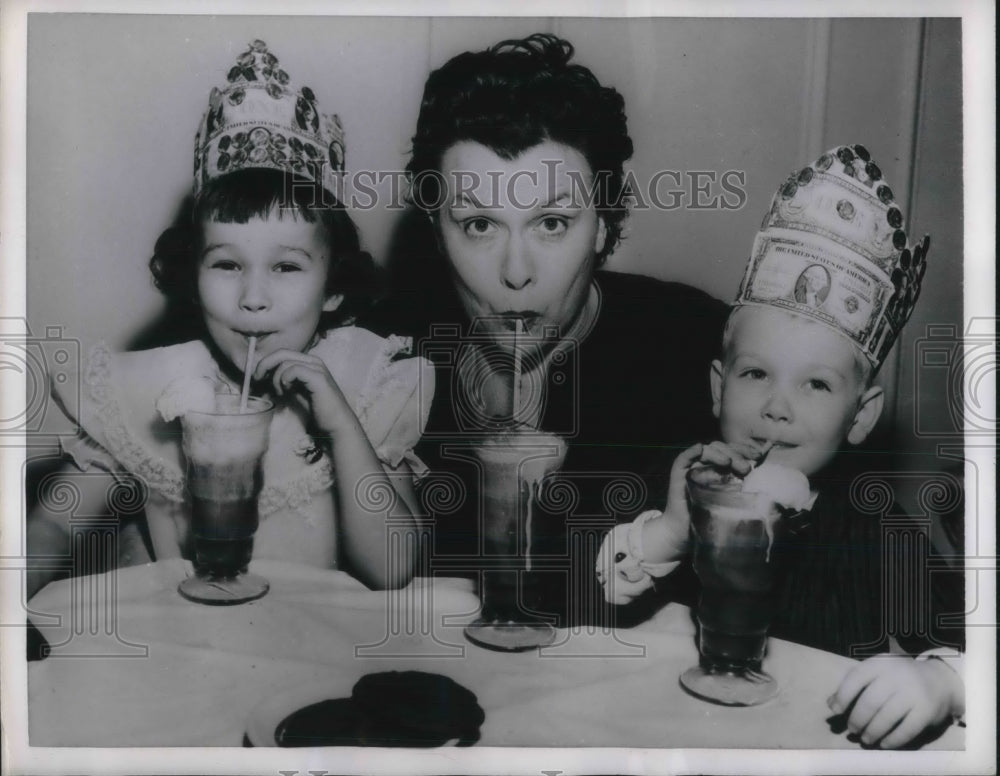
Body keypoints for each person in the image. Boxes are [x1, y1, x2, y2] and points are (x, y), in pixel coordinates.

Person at [26, 40, 433, 598]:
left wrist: (341, 426)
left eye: (287, 266)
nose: (253, 298)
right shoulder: (145, 390)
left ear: (335, 286)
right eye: (227, 264)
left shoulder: (368, 381)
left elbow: (393, 570)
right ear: (192, 277)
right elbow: (52, 524)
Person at [596, 144, 964, 748]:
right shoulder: (682, 485)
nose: (777, 406)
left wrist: (942, 683)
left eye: (816, 384)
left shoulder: (877, 532)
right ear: (718, 388)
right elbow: (593, 592)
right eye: (755, 374)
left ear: (861, 416)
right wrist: (668, 532)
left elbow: (975, 636)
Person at [365, 33, 728, 628]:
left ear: (607, 226)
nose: (516, 273)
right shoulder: (380, 360)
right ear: (435, 230)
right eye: (479, 224)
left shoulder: (693, 346)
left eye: (553, 223)